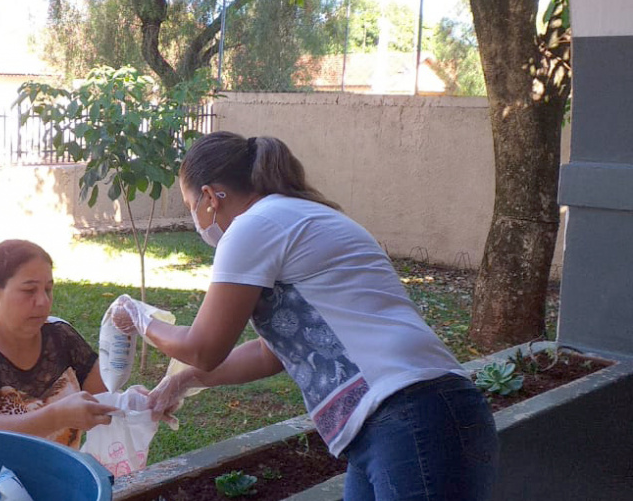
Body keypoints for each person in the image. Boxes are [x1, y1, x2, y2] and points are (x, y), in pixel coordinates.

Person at [113, 132, 499, 500]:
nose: (195, 219)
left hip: (411, 413)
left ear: (211, 196)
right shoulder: (288, 216)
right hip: (403, 417)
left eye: (190, 205)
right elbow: (271, 354)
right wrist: (183, 381)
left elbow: (203, 347)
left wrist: (142, 318)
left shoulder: (255, 225)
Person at [0, 239, 117, 448]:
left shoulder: (60, 335)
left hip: (61, 474)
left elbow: (104, 398)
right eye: (29, 290)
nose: (43, 301)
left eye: (48, 289)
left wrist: (138, 402)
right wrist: (55, 417)